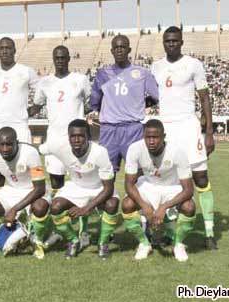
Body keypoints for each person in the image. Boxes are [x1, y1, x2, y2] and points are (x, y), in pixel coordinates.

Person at [151, 26, 217, 249]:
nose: (171, 44)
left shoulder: (193, 64)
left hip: (189, 126)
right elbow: (151, 98)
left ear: (181, 42)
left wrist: (209, 132)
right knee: (170, 180)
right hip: (166, 129)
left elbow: (205, 98)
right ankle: (170, 232)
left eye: (175, 41)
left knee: (200, 178)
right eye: (167, 41)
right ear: (163, 43)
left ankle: (209, 232)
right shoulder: (156, 67)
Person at [30, 45, 92, 247]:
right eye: (57, 57)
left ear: (68, 58)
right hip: (54, 143)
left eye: (63, 57)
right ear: (53, 59)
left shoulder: (80, 80)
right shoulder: (44, 82)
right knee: (57, 187)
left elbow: (90, 104)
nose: (60, 60)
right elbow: (36, 105)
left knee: (81, 186)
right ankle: (61, 229)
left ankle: (83, 232)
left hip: (77, 144)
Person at [122, 119, 195, 262]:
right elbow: (129, 184)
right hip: (148, 186)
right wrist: (145, 206)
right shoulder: (135, 149)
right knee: (127, 205)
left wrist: (164, 206)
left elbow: (188, 190)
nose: (151, 141)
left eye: (155, 137)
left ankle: (178, 245)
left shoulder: (177, 152)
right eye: (148, 137)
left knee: (189, 206)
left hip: (171, 188)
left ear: (164, 136)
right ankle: (144, 244)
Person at [90, 34, 159, 174]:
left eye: (122, 47)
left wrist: (139, 104)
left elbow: (156, 97)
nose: (119, 50)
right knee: (106, 173)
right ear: (112, 51)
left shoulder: (142, 73)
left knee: (138, 173)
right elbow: (94, 102)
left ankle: (136, 196)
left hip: (133, 129)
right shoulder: (102, 74)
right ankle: (110, 197)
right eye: (116, 47)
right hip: (109, 130)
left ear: (129, 49)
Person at [0, 127, 49, 259]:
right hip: (11, 189)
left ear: (17, 142)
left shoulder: (30, 153)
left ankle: (36, 239)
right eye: (1, 144)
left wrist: (14, 209)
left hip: (33, 189)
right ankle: (11, 234)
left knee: (40, 207)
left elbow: (40, 189)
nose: (5, 148)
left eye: (9, 144)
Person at [50, 119, 119, 260]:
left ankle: (103, 243)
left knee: (112, 204)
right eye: (72, 136)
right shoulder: (60, 147)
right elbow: (39, 149)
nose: (76, 139)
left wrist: (87, 208)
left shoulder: (100, 152)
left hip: (99, 188)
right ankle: (73, 241)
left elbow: (108, 188)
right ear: (68, 137)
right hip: (76, 187)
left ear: (88, 137)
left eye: (80, 136)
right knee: (55, 207)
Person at [0, 37, 39, 149]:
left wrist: (35, 108)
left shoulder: (26, 71)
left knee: (24, 162)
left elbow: (42, 91)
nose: (4, 51)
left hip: (20, 125)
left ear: (14, 50)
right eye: (1, 48)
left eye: (8, 48)